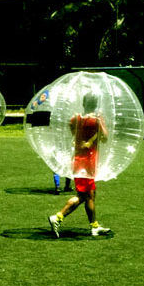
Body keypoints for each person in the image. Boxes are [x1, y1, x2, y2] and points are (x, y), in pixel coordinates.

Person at [48, 93, 110, 238]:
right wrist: (97, 132)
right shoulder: (97, 119)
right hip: (89, 161)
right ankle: (57, 217)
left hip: (77, 159)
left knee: (91, 194)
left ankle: (94, 226)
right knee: (84, 195)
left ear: (84, 103)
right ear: (96, 104)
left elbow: (72, 129)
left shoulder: (76, 118)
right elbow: (105, 138)